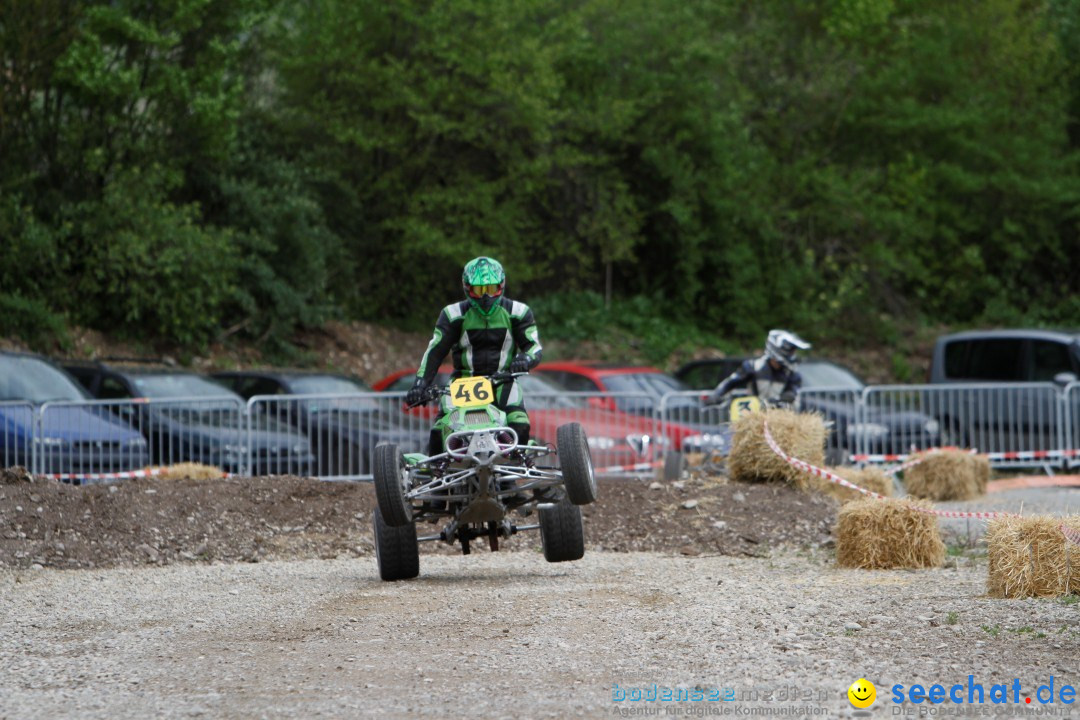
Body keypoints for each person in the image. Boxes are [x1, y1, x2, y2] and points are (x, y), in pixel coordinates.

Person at [406, 256, 543, 456]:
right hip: (463, 383)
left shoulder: (518, 312)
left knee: (519, 424)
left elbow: (534, 347)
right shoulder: (453, 314)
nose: (486, 297)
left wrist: (526, 360)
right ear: (467, 288)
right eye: (479, 290)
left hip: (503, 381)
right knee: (439, 431)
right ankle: (438, 476)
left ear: (502, 285)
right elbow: (435, 352)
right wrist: (420, 385)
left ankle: (510, 474)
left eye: (491, 288)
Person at [705, 329, 810, 407]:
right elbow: (731, 382)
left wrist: (783, 398)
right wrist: (717, 395)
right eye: (790, 352)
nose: (792, 355)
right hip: (754, 418)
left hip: (779, 420)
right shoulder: (753, 367)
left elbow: (793, 393)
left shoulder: (792, 374)